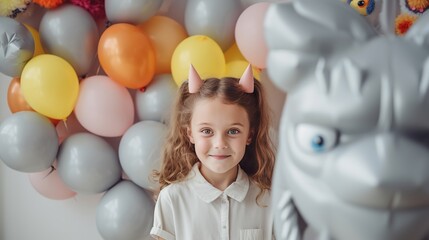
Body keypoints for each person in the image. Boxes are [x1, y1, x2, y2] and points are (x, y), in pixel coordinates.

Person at [150, 64, 276, 240]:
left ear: (249, 135)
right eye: (207, 131)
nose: (220, 144)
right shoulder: (172, 199)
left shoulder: (266, 200)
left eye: (233, 131)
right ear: (190, 133)